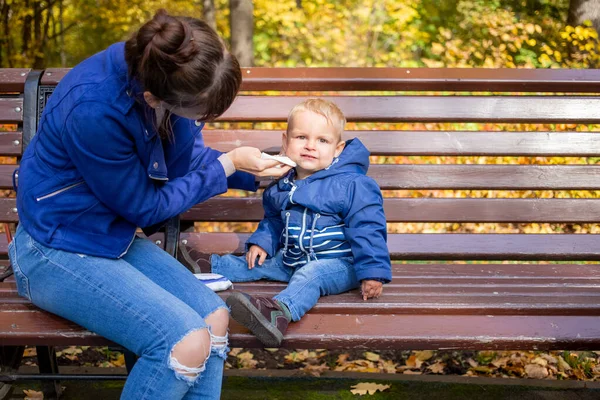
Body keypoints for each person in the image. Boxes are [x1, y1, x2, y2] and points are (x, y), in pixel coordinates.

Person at [8, 9, 290, 400]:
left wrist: (251, 172)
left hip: (109, 238)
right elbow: (146, 208)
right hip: (54, 249)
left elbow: (184, 159)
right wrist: (225, 165)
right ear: (154, 97)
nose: (205, 120)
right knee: (183, 341)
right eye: (203, 113)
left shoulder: (162, 70)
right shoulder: (94, 109)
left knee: (214, 318)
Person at [209, 98, 392, 347]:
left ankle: (277, 313)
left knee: (311, 275)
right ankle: (204, 266)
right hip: (293, 259)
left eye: (322, 140)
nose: (310, 146)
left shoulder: (352, 184)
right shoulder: (284, 183)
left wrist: (372, 273)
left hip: (340, 265)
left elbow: (368, 229)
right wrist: (262, 243)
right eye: (301, 137)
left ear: (337, 149)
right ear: (286, 142)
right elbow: (273, 220)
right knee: (259, 264)